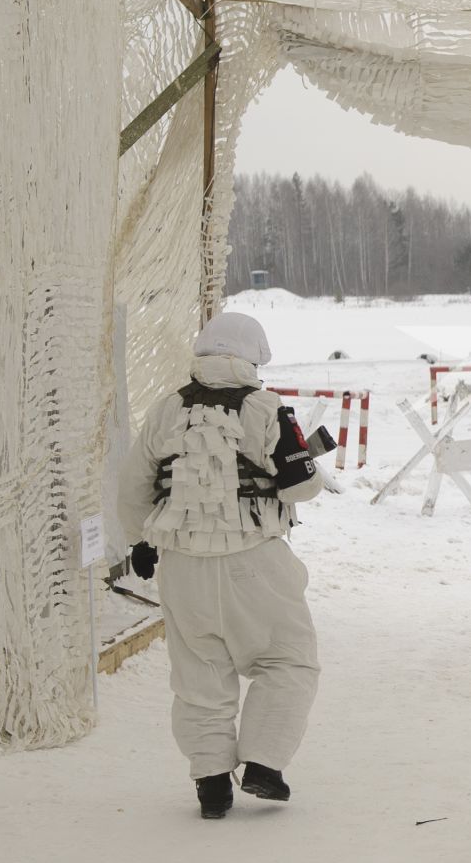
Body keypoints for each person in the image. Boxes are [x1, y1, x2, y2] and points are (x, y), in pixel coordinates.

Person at [116, 312, 325, 819]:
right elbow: (301, 486)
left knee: (199, 673)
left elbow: (132, 487)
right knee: (287, 661)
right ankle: (264, 765)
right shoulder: (267, 409)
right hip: (254, 560)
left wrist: (142, 542)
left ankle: (211, 781)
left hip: (182, 566)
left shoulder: (166, 410)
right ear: (254, 358)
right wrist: (306, 464)